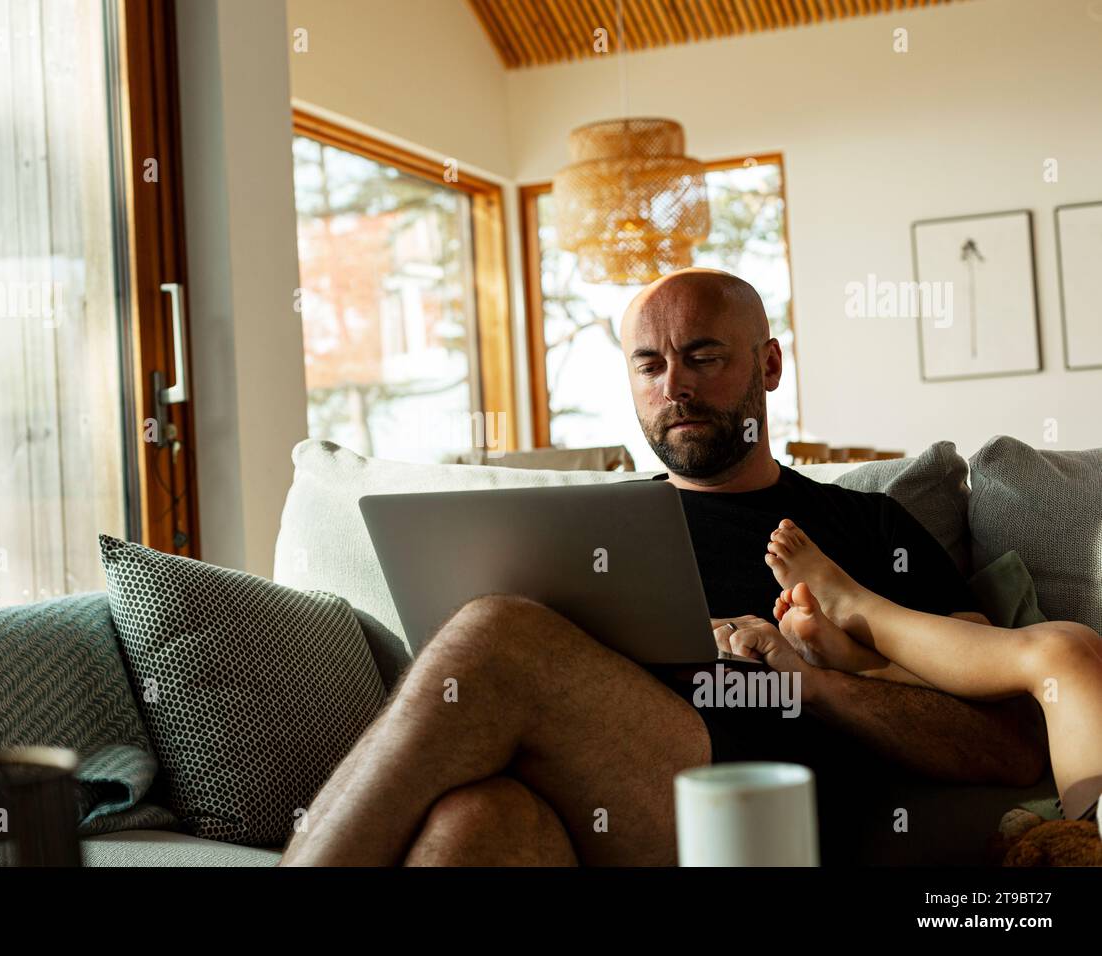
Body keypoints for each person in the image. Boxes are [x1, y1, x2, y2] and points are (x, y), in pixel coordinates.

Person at [279, 268, 1048, 866]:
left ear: (769, 364)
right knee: (479, 824)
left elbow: (1008, 746)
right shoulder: (580, 530)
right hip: (581, 804)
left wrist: (806, 682)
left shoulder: (865, 525)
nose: (672, 386)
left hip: (750, 807)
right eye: (648, 366)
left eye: (702, 356)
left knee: (495, 630)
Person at [750, 517, 1101, 822]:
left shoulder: (868, 514)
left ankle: (858, 623)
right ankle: (859, 649)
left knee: (1061, 653)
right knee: (1076, 640)